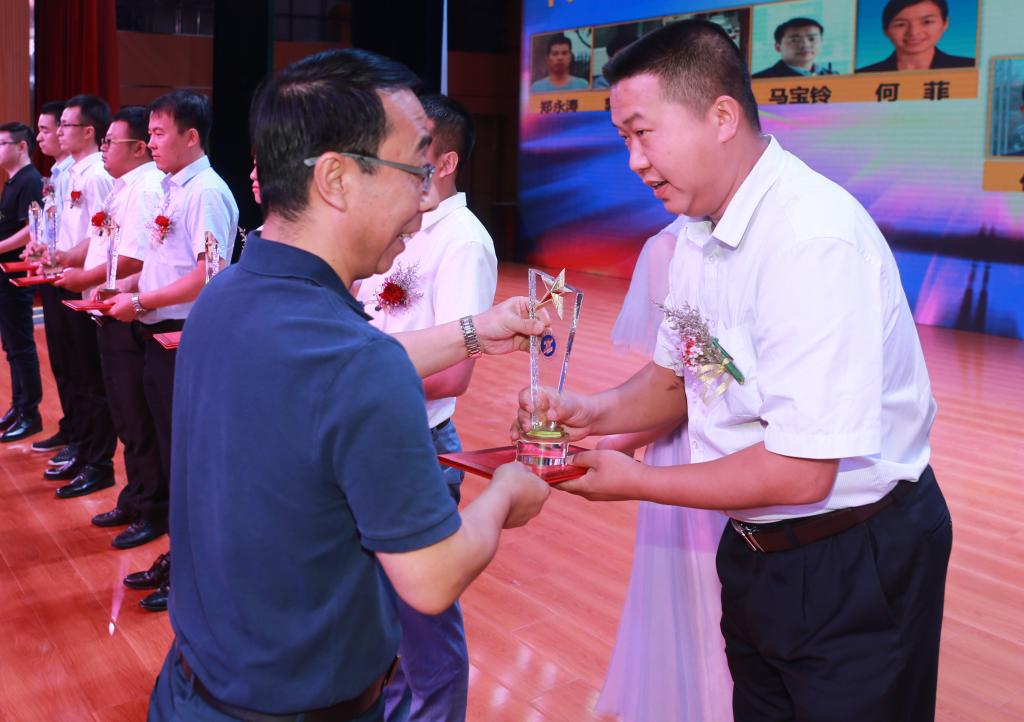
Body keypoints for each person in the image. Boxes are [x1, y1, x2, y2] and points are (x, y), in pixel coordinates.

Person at [515, 19, 951, 722]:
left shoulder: (809, 241)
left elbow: (802, 472)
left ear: (721, 116)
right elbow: (687, 377)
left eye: (643, 133)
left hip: (854, 554)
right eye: (622, 139)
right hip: (754, 545)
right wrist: (591, 414)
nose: (634, 161)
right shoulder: (697, 233)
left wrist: (637, 482)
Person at [147, 48, 551, 722]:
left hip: (193, 689)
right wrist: (506, 491)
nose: (423, 201)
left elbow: (337, 371)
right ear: (335, 177)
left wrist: (476, 329)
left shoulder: (227, 295)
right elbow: (432, 578)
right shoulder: (355, 363)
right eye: (415, 170)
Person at [355, 93, 496, 722]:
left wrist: (358, 376)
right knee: (384, 616)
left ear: (445, 161)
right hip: (370, 435)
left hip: (419, 446)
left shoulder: (462, 241)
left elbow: (456, 370)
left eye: (411, 146)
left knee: (425, 625)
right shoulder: (395, 222)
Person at [594, 217, 732, 722]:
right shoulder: (671, 250)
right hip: (689, 446)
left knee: (711, 595)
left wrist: (615, 441)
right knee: (702, 597)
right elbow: (681, 379)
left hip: (716, 447)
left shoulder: (673, 248)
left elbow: (697, 386)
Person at [107, 89, 239, 607]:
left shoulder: (206, 192)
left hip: (184, 336)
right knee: (172, 453)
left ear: (191, 136)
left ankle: (194, 572)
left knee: (190, 460)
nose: (152, 142)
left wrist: (141, 299)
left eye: (160, 133)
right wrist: (128, 287)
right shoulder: (170, 188)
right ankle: (179, 559)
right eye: (150, 133)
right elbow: (168, 262)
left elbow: (209, 275)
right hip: (157, 334)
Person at [57, 107, 164, 549]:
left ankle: (150, 506)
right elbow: (108, 243)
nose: (103, 149)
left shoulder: (147, 187)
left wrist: (90, 279)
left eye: (109, 142)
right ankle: (136, 496)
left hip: (127, 308)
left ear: (137, 148)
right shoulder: (125, 185)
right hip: (109, 303)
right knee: (125, 413)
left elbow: (136, 258)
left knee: (136, 417)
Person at [42, 94, 117, 498]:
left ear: (88, 132)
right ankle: (82, 447)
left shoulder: (98, 175)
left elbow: (101, 235)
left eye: (65, 125)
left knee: (90, 379)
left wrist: (69, 259)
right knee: (71, 369)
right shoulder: (72, 172)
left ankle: (97, 460)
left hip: (87, 283)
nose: (58, 132)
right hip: (68, 278)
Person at [27, 100, 75, 457]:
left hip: (74, 274)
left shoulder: (84, 174)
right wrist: (41, 247)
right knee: (61, 362)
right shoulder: (58, 173)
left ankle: (84, 441)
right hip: (56, 269)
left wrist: (62, 257)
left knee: (79, 368)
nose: (42, 137)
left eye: (48, 129)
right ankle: (72, 428)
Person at [0, 122, 44, 442]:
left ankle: (30, 412)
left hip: (16, 273)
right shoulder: (13, 181)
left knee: (21, 344)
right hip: (5, 271)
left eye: (2, 143)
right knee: (11, 345)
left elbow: (33, 227)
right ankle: (18, 406)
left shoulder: (30, 181)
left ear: (21, 147)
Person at [857, 0, 973, 73]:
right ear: (886, 31)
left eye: (927, 22)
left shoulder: (970, 67)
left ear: (945, 24)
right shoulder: (863, 75)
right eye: (901, 24)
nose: (913, 32)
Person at [752, 18, 836, 78]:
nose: (805, 45)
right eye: (795, 40)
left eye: (812, 39)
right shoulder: (759, 79)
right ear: (778, 47)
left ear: (821, 42)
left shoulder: (833, 76)